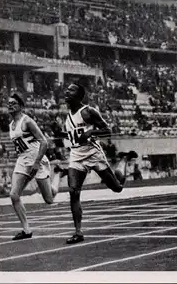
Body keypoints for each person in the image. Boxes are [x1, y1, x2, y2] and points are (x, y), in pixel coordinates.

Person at [63, 83, 126, 244]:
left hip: (94, 154)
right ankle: (78, 232)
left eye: (71, 90)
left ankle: (124, 160)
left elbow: (107, 131)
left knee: (117, 188)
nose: (66, 92)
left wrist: (91, 132)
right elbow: (75, 134)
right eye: (67, 90)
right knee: (73, 191)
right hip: (76, 155)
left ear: (79, 95)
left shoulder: (89, 111)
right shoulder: (68, 115)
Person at [7, 93, 61, 240]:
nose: (10, 105)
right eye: (9, 103)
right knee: (14, 195)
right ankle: (26, 230)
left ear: (20, 106)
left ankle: (58, 175)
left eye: (13, 103)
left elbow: (44, 142)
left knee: (49, 199)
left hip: (37, 159)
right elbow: (21, 145)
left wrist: (37, 163)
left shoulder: (27, 121)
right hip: (23, 160)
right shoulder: (10, 125)